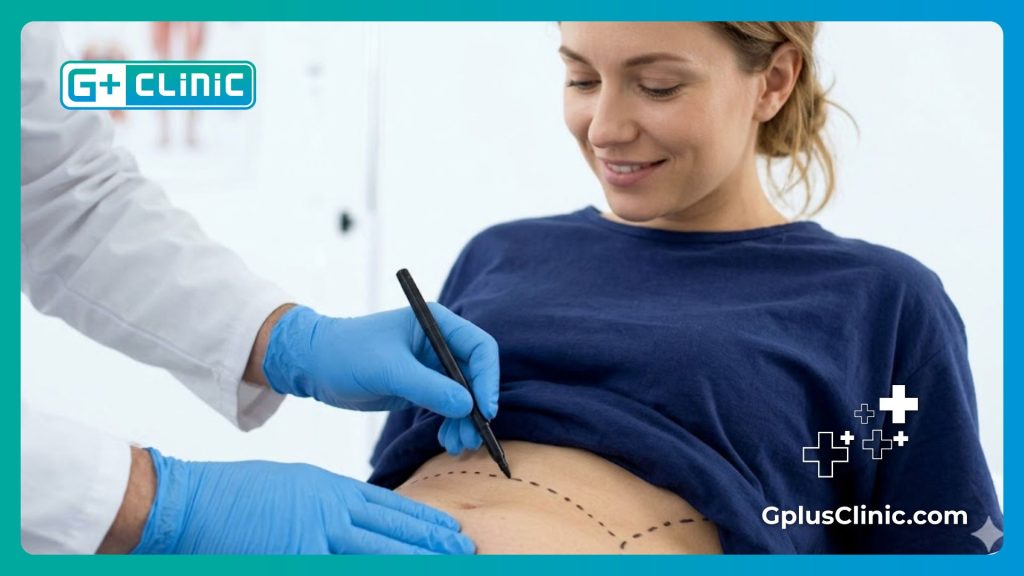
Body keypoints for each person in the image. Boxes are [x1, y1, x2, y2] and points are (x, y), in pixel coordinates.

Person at [367, 21, 1004, 554]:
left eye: (658, 87)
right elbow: (388, 468)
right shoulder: (498, 252)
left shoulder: (878, 302)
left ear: (774, 81)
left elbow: (948, 546)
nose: (603, 129)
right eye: (581, 79)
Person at [21, 22, 499, 555]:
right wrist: (154, 502)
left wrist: (289, 341)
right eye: (579, 80)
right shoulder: (499, 253)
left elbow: (66, 195)